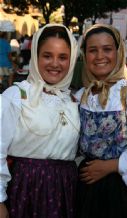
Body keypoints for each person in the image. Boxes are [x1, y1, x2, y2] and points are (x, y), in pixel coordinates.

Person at [0, 23, 80, 218]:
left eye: (63, 57)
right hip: (26, 189)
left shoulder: (73, 100)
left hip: (65, 190)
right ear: (35, 57)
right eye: (47, 55)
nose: (55, 63)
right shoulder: (16, 96)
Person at [75, 23, 127, 218]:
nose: (99, 56)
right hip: (85, 187)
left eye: (107, 49)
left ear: (118, 52)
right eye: (92, 50)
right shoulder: (81, 96)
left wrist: (112, 165)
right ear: (84, 55)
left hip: (119, 190)